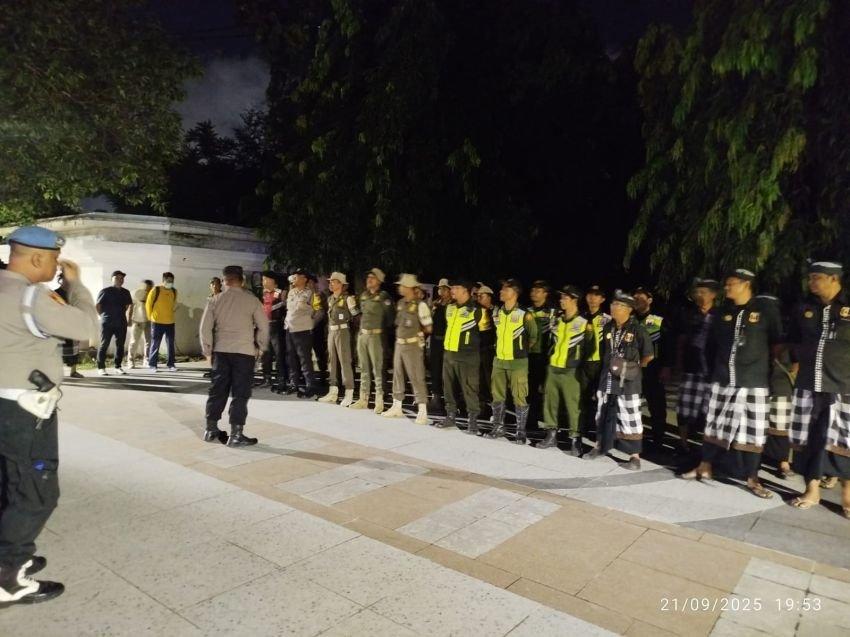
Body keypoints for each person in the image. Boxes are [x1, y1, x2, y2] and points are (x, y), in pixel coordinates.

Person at [0, 226, 98, 605]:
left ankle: (8, 551)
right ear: (38, 258)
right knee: (36, 492)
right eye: (54, 260)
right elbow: (88, 329)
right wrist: (76, 286)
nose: (57, 266)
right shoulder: (31, 297)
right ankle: (10, 578)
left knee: (9, 482)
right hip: (24, 410)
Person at [680, 269, 782, 498]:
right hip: (723, 378)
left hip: (753, 381)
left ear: (746, 284)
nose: (726, 288)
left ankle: (752, 478)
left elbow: (777, 345)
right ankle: (705, 466)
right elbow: (712, 344)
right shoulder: (722, 313)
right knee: (714, 424)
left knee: (752, 430)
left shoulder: (764, 310)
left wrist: (769, 374)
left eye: (731, 284)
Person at [788, 261, 850, 516]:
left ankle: (847, 494)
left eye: (817, 277)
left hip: (844, 384)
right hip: (808, 383)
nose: (812, 282)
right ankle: (811, 489)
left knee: (845, 439)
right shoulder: (805, 307)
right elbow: (794, 339)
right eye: (810, 277)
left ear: (834, 279)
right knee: (806, 437)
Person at [200, 265, 269, 447]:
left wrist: (208, 351)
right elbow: (264, 326)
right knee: (240, 394)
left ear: (224, 280)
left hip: (221, 352)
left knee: (217, 391)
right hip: (244, 352)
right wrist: (260, 347)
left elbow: (205, 328)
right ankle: (236, 434)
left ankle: (211, 429)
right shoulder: (252, 300)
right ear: (242, 280)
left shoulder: (215, 300)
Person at [587, 290, 654, 470]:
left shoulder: (637, 330)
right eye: (613, 304)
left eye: (618, 305)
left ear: (629, 309)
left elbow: (648, 356)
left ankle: (634, 457)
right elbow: (603, 352)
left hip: (628, 382)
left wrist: (632, 368)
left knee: (629, 417)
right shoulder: (608, 327)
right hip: (607, 379)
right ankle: (599, 446)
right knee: (602, 413)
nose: (613, 307)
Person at [665, 278, 720, 454]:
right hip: (691, 368)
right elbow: (680, 340)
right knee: (685, 407)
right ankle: (683, 442)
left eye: (703, 292)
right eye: (697, 291)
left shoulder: (721, 315)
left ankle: (707, 446)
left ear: (713, 295)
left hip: (712, 371)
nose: (699, 295)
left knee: (710, 411)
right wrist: (678, 366)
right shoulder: (687, 313)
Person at [540, 285, 595, 454]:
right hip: (553, 368)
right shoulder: (556, 320)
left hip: (572, 371)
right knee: (550, 403)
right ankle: (551, 435)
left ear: (574, 300)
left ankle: (575, 440)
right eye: (561, 298)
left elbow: (591, 349)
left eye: (565, 298)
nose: (561, 301)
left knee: (574, 406)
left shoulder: (584, 323)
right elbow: (549, 343)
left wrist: (582, 370)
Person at [486, 278, 539, 442]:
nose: (501, 292)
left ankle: (520, 432)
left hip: (518, 363)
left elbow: (533, 337)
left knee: (519, 396)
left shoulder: (524, 314)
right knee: (497, 395)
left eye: (505, 289)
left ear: (513, 293)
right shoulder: (497, 312)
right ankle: (498, 427)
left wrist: (521, 350)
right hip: (499, 361)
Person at [439, 279, 489, 434]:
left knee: (470, 388)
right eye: (452, 287)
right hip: (449, 354)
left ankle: (473, 420)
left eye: (456, 287)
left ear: (465, 291)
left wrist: (473, 350)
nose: (452, 290)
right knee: (448, 387)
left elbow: (487, 336)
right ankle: (451, 415)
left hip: (468, 356)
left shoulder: (478, 310)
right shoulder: (450, 308)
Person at [382, 274, 432, 425]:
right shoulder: (400, 303)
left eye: (403, 285)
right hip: (399, 344)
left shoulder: (421, 305)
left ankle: (422, 409)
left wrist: (419, 336)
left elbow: (428, 327)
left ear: (410, 288)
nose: (400, 287)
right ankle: (397, 406)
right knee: (397, 375)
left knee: (416, 376)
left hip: (412, 345)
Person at [759, 294, 797, 479]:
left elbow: (797, 360)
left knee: (780, 426)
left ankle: (783, 462)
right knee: (756, 423)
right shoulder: (752, 328)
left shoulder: (787, 332)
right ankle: (755, 458)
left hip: (781, 384)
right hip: (757, 383)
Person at [350, 268, 395, 413]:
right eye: (368, 277)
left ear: (380, 281)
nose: (369, 280)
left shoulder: (384, 297)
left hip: (376, 336)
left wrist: (383, 335)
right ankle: (363, 398)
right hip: (363, 335)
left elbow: (390, 319)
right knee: (363, 368)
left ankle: (379, 400)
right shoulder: (363, 296)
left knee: (378, 369)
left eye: (373, 278)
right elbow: (362, 315)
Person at [632, 287, 668, 450]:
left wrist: (666, 367)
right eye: (635, 297)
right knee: (630, 404)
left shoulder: (659, 320)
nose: (637, 300)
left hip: (653, 370)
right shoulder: (629, 320)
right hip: (632, 371)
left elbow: (669, 345)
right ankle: (631, 436)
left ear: (650, 300)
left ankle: (658, 440)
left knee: (657, 406)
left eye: (641, 297)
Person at [319, 272, 359, 407]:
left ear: (342, 284)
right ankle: (333, 391)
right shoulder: (330, 299)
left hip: (343, 331)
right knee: (332, 361)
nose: (331, 284)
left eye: (334, 282)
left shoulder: (348, 299)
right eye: (330, 282)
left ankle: (349, 392)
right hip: (332, 331)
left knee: (345, 361)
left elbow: (356, 317)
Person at [283, 268, 322, 398]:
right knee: (291, 358)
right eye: (294, 276)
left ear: (304, 279)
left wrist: (301, 307)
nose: (294, 278)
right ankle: (294, 384)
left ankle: (310, 386)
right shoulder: (291, 292)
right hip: (290, 328)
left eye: (297, 276)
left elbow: (304, 308)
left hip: (302, 329)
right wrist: (298, 305)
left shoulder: (310, 292)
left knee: (305, 359)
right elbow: (290, 308)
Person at [579, 285, 610, 440]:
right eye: (590, 294)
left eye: (597, 295)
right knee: (582, 397)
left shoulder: (607, 320)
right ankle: (581, 429)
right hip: (583, 364)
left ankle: (599, 432)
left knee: (600, 399)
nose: (592, 298)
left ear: (602, 299)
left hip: (600, 364)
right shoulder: (580, 317)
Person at [528, 280, 554, 436]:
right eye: (533, 289)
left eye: (538, 290)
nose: (534, 292)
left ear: (545, 293)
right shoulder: (527, 310)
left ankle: (546, 423)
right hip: (529, 356)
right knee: (529, 390)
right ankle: (530, 421)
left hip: (545, 357)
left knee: (545, 392)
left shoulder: (552, 312)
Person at [95, 270, 132, 376]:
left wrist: (128, 319)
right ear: (112, 279)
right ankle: (101, 367)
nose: (120, 280)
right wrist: (103, 316)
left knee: (120, 345)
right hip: (107, 323)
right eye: (117, 278)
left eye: (122, 278)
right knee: (104, 344)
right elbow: (98, 306)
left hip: (121, 322)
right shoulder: (105, 291)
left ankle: (118, 366)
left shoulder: (126, 292)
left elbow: (127, 306)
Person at [259, 271, 287, 388]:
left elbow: (285, 309)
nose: (263, 282)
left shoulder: (282, 293)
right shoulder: (263, 293)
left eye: (265, 279)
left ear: (273, 280)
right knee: (266, 354)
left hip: (277, 326)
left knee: (279, 353)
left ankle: (281, 379)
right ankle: (267, 378)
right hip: (265, 326)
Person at [145, 272, 178, 371]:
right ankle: (152, 364)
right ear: (163, 281)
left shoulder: (174, 291)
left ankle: (171, 364)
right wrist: (150, 317)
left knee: (170, 344)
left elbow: (173, 305)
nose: (170, 283)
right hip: (157, 322)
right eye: (168, 281)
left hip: (170, 322)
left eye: (172, 281)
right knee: (155, 344)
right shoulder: (156, 290)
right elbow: (148, 304)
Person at [428, 278, 452, 413]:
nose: (441, 291)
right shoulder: (435, 304)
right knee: (435, 370)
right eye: (439, 288)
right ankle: (436, 398)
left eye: (444, 288)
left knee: (447, 373)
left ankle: (449, 401)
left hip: (447, 343)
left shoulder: (452, 306)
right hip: (435, 342)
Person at [55, 273, 83, 378]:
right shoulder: (55, 293)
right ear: (60, 280)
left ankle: (73, 371)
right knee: (59, 349)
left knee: (75, 348)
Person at [476, 284, 496, 420]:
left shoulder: (496, 311)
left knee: (491, 381)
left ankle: (496, 410)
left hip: (491, 350)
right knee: (480, 380)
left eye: (481, 296)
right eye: (477, 296)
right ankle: (483, 408)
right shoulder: (478, 311)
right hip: (479, 349)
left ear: (489, 297)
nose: (479, 299)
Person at [127, 279, 153, 369]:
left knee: (149, 342)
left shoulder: (153, 294)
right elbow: (130, 306)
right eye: (146, 288)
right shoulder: (135, 293)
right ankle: (130, 361)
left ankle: (147, 360)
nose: (147, 290)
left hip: (149, 321)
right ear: (142, 286)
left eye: (149, 288)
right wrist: (129, 319)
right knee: (134, 342)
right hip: (137, 320)